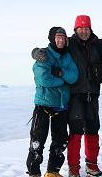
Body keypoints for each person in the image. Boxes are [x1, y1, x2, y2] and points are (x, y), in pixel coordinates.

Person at [32, 15, 102, 177]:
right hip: (75, 95)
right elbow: (51, 49)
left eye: (87, 28)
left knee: (93, 130)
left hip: (92, 94)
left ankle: (92, 165)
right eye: (81, 29)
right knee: (76, 131)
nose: (84, 31)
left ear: (90, 29)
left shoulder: (98, 44)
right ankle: (73, 168)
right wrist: (36, 52)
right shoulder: (70, 43)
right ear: (75, 30)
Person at [26, 27, 78, 177]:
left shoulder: (67, 56)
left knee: (60, 140)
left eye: (63, 37)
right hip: (44, 104)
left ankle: (52, 172)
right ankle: (34, 172)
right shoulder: (43, 55)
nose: (61, 40)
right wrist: (63, 80)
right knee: (37, 141)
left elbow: (74, 76)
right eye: (58, 37)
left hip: (61, 105)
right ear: (52, 39)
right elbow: (44, 79)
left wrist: (60, 72)